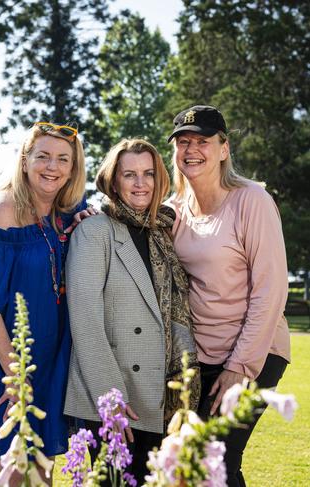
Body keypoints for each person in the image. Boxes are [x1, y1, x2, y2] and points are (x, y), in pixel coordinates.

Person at [0, 122, 93, 484]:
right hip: (1, 363)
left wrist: (83, 220)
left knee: (43, 472)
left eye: (64, 159)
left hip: (48, 363)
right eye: (43, 156)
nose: (53, 167)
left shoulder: (64, 212)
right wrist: (14, 375)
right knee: (13, 471)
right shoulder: (2, 210)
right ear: (24, 160)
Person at [166, 105, 291, 486]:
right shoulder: (173, 210)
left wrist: (241, 367)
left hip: (255, 351)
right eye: (183, 142)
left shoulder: (252, 200)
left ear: (223, 148)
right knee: (192, 461)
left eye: (202, 141)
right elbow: (129, 217)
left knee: (215, 459)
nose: (191, 149)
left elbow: (271, 290)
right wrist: (93, 218)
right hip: (199, 357)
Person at [64, 138, 200, 485]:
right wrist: (112, 399)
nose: (140, 184)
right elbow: (86, 323)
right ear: (113, 181)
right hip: (114, 400)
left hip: (159, 399)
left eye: (148, 174)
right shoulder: (94, 232)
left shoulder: (163, 234)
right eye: (130, 175)